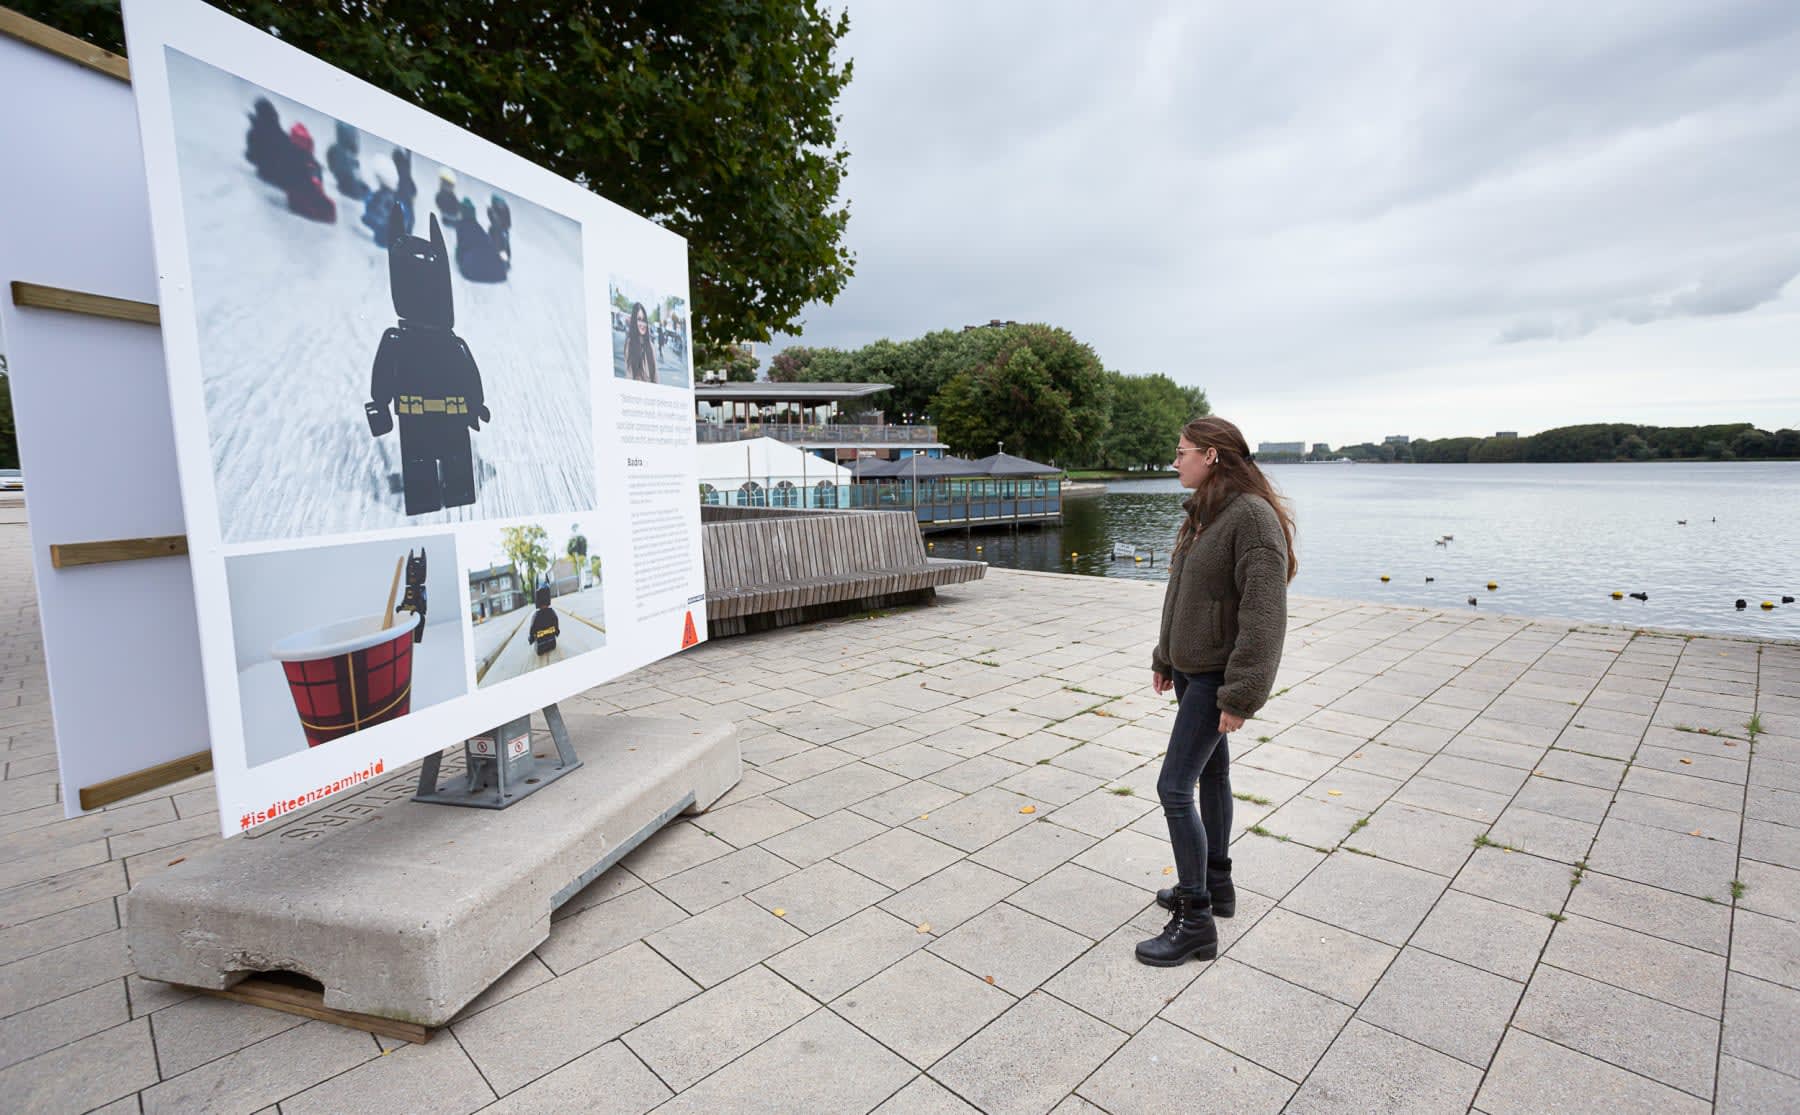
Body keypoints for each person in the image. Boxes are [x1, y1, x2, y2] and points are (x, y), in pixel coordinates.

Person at [1138, 416, 1295, 966]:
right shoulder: (1204, 512)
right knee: (1211, 774)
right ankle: (1217, 884)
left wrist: (1241, 694)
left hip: (1215, 677)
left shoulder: (1251, 519)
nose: (1174, 461)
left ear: (1211, 456)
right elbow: (1180, 592)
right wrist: (1165, 656)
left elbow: (1264, 615)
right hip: (1189, 669)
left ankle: (1197, 919)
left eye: (1181, 452)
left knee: (1173, 787)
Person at [622, 302, 658, 382]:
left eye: (644, 320)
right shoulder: (629, 344)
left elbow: (655, 375)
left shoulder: (651, 345)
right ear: (634, 321)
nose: (643, 324)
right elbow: (629, 374)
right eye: (639, 319)